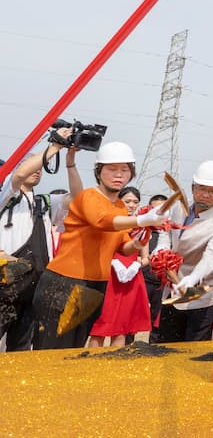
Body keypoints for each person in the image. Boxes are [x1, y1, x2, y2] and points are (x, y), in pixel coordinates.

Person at [31, 142, 170, 349]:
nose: (119, 175)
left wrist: (140, 240)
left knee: (75, 350)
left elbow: (123, 247)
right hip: (64, 283)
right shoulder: (88, 196)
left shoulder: (120, 206)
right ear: (99, 171)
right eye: (112, 169)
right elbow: (101, 221)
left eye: (124, 170)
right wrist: (142, 220)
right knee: (51, 352)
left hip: (96, 286)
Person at [0, 127, 82, 350]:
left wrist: (70, 162)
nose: (38, 170)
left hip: (33, 288)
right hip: (4, 286)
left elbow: (77, 198)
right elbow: (18, 176)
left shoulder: (44, 202)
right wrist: (54, 146)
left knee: (21, 350)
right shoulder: (5, 195)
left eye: (39, 166)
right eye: (32, 164)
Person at [151, 160, 213, 343]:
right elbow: (166, 231)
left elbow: (212, 257)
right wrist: (162, 248)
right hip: (172, 288)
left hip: (202, 292)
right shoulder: (178, 207)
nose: (206, 195)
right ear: (193, 187)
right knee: (165, 343)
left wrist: (193, 278)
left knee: (192, 347)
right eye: (202, 188)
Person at [86, 186, 152, 348]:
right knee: (100, 326)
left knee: (121, 328)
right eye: (127, 201)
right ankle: (91, 362)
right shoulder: (108, 222)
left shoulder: (142, 227)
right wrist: (112, 262)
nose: (131, 205)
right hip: (108, 278)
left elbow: (146, 257)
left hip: (131, 280)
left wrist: (137, 265)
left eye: (135, 202)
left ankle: (114, 363)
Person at [139, 193, 168, 332]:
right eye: (155, 210)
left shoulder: (173, 233)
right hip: (142, 280)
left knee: (158, 321)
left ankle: (154, 343)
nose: (160, 213)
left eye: (164, 209)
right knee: (134, 316)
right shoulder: (141, 231)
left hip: (163, 285)